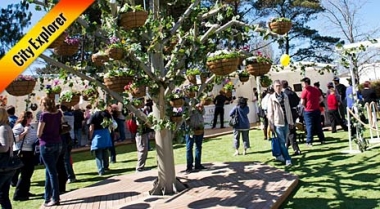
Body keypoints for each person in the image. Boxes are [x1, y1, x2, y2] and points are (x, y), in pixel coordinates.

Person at [37, 97, 63, 207]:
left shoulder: (44, 115)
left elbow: (39, 132)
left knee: (52, 172)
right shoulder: (58, 113)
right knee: (49, 171)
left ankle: (55, 197)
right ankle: (47, 197)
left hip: (46, 143)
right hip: (57, 142)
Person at [11, 111, 37, 201]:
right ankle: (18, 194)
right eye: (29, 117)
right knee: (24, 174)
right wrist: (25, 132)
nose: (31, 119)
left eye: (31, 117)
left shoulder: (31, 126)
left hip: (30, 152)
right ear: (25, 118)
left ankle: (25, 191)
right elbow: (15, 139)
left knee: (28, 173)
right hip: (22, 152)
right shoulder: (19, 127)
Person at [267, 80, 293, 166]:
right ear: (274, 87)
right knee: (282, 142)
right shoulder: (271, 98)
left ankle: (281, 155)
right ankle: (287, 158)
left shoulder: (285, 96)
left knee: (285, 141)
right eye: (276, 86)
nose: (278, 87)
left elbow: (288, 109)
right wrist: (270, 124)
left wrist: (291, 121)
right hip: (277, 122)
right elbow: (270, 112)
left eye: (279, 86)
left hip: (286, 122)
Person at [88, 101, 113, 176]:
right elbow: (111, 124)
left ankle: (100, 170)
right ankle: (106, 167)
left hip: (97, 134)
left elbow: (91, 127)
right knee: (105, 151)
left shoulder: (94, 115)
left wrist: (90, 137)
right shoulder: (107, 114)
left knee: (98, 153)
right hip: (105, 133)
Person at [300, 77, 325, 146]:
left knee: (309, 126)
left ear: (306, 83)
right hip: (317, 109)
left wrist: (305, 106)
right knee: (318, 125)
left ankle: (309, 141)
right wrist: (317, 103)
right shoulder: (316, 89)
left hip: (308, 111)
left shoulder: (305, 91)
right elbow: (321, 99)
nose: (302, 84)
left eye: (302, 83)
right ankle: (322, 139)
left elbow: (302, 102)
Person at [0, 107, 16, 209]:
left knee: (3, 196)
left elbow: (4, 148)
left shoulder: (2, 128)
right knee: (3, 196)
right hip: (8, 165)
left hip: (3, 166)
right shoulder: (6, 127)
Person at [282, 80, 301, 155]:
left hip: (288, 113)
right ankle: (286, 144)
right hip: (294, 112)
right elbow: (298, 101)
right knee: (289, 130)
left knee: (290, 131)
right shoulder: (292, 92)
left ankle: (296, 149)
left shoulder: (284, 94)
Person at [185, 103, 206, 174]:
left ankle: (198, 164)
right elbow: (185, 115)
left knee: (198, 146)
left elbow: (203, 113)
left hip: (199, 127)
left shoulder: (198, 101)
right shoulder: (186, 102)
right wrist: (192, 108)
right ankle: (189, 166)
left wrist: (202, 108)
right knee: (189, 147)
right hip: (190, 128)